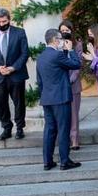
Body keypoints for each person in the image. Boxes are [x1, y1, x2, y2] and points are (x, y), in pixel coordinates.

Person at [36, 29, 82, 171]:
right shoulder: (56, 55)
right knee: (63, 129)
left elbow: (39, 81)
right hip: (60, 98)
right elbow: (76, 64)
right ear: (55, 40)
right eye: (60, 39)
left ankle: (47, 161)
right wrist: (71, 50)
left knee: (49, 130)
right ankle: (64, 161)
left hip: (47, 98)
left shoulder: (41, 56)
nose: (62, 41)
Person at [0, 7, 29, 141]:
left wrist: (13, 68)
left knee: (19, 103)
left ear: (9, 19)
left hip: (16, 74)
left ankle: (20, 128)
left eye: (4, 21)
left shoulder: (19, 33)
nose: (2, 24)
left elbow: (25, 53)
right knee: (1, 104)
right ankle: (6, 128)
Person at [59, 20, 83, 150]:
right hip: (61, 84)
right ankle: (65, 138)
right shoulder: (58, 45)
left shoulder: (77, 45)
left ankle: (74, 139)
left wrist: (71, 80)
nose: (64, 33)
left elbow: (78, 65)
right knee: (63, 114)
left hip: (73, 84)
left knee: (73, 113)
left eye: (67, 31)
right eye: (62, 31)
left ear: (71, 31)